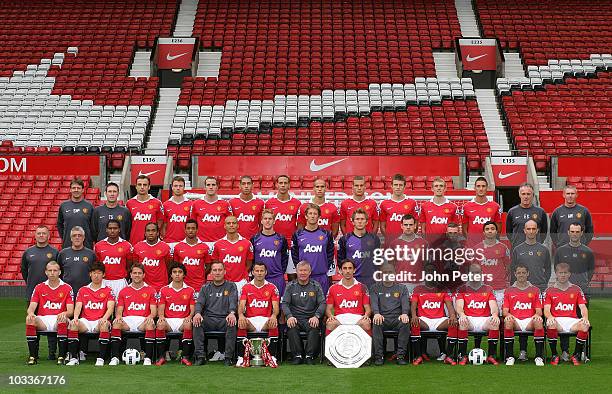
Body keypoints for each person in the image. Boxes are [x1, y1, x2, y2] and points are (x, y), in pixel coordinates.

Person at [64, 262, 115, 366]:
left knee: (105, 324)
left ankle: (100, 358)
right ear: (90, 274)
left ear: (103, 275)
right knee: (74, 324)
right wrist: (75, 318)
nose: (96, 275)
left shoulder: (109, 290)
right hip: (86, 321)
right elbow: (78, 306)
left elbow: (111, 307)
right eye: (94, 273)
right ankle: (74, 358)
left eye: (99, 273)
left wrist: (105, 318)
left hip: (100, 320)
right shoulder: (83, 290)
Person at [21, 226, 60, 360]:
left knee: (52, 322)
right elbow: (24, 271)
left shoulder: (54, 252)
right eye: (39, 233)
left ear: (48, 236)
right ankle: (34, 353)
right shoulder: (28, 252)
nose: (41, 235)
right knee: (32, 320)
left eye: (44, 233)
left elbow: (59, 271)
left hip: (52, 293)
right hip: (33, 293)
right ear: (35, 235)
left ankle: (52, 352)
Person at [25, 261, 74, 365]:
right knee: (30, 319)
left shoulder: (67, 287)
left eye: (55, 270)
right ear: (46, 272)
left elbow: (70, 311)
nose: (52, 273)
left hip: (59, 319)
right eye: (50, 270)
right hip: (43, 319)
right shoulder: (39, 287)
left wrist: (64, 314)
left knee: (63, 319)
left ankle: (61, 356)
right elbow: (31, 307)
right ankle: (32, 356)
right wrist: (31, 314)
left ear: (59, 272)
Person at [410, 263, 458, 366]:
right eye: (428, 271)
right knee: (415, 322)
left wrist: (453, 316)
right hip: (424, 320)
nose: (430, 273)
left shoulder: (442, 288)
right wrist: (414, 316)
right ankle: (418, 356)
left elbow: (449, 306)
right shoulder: (418, 289)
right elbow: (413, 306)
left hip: (439, 320)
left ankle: (448, 355)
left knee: (453, 323)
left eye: (433, 271)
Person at [109, 263, 157, 366]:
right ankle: (115, 357)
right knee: (116, 323)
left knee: (150, 324)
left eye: (139, 273)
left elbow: (153, 312)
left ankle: (147, 358)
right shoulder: (124, 291)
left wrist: (150, 317)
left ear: (144, 275)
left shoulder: (151, 290)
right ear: (130, 275)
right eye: (134, 273)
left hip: (143, 320)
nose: (137, 275)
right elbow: (119, 310)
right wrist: (118, 317)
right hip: (128, 320)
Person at [193, 261, 238, 366]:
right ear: (211, 273)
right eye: (215, 270)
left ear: (224, 272)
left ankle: (228, 357)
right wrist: (198, 313)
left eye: (220, 270)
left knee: (232, 322)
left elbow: (233, 301)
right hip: (209, 319)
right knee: (197, 322)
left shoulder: (231, 286)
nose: (217, 273)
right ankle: (200, 356)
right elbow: (199, 303)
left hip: (224, 319)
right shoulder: (205, 288)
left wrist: (232, 313)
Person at [544, 262, 590, 366]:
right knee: (551, 324)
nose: (563, 275)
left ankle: (576, 355)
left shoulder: (576, 289)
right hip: (557, 321)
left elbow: (583, 307)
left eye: (565, 272)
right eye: (560, 273)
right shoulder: (550, 290)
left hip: (572, 321)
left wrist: (585, 317)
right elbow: (546, 309)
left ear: (569, 274)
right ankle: (555, 355)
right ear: (556, 273)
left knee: (585, 325)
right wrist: (550, 316)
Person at [281, 261, 326, 365]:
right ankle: (297, 355)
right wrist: (289, 316)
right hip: (295, 318)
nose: (303, 273)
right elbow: (285, 303)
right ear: (296, 272)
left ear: (310, 272)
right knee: (291, 326)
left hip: (310, 317)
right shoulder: (290, 286)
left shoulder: (316, 285)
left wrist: (317, 316)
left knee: (314, 326)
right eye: (300, 270)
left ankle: (310, 355)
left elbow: (322, 303)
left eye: (305, 270)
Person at [455, 263, 500, 366]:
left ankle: (491, 355)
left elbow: (493, 306)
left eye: (477, 272)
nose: (475, 275)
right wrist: (462, 314)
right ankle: (462, 355)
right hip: (469, 319)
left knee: (494, 322)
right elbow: (459, 306)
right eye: (472, 272)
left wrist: (494, 314)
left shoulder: (488, 289)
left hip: (484, 319)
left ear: (481, 274)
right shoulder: (462, 289)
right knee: (462, 322)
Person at [236, 262, 280, 367]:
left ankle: (273, 357)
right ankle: (241, 358)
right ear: (252, 272)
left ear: (266, 272)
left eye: (262, 271)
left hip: (265, 320)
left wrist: (274, 316)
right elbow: (241, 305)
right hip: (251, 320)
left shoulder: (272, 287)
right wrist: (241, 315)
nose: (259, 273)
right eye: (257, 271)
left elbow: (276, 307)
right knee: (241, 323)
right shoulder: (246, 287)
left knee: (273, 323)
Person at [502, 264, 545, 366]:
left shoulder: (535, 290)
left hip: (529, 321)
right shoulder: (509, 290)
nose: (521, 275)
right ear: (515, 274)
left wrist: (537, 315)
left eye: (524, 273)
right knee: (508, 321)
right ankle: (510, 357)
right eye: (519, 273)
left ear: (528, 274)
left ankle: (539, 357)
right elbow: (505, 311)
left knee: (539, 321)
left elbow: (539, 311)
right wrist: (508, 315)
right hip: (515, 320)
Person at [154, 262, 196, 366]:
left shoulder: (190, 290)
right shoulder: (164, 290)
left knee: (188, 324)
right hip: (169, 321)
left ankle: (185, 357)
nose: (177, 274)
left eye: (180, 272)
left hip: (183, 320)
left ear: (184, 275)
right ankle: (161, 357)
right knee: (160, 324)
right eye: (174, 272)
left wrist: (190, 317)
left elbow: (192, 309)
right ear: (171, 275)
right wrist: (161, 317)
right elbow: (161, 308)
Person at [370, 263, 410, 366]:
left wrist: (404, 313)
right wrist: (377, 313)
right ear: (381, 274)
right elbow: (374, 303)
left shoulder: (402, 288)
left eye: (390, 272)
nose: (387, 274)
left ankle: (400, 356)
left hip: (397, 318)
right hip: (382, 318)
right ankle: (379, 356)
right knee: (376, 322)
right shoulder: (375, 288)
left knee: (405, 322)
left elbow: (405, 303)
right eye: (385, 272)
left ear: (394, 273)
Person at [292, 204, 335, 294]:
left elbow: (330, 253)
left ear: (319, 216)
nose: (312, 216)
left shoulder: (326, 234)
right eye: (310, 213)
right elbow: (295, 254)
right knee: (304, 306)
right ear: (306, 216)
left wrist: (325, 267)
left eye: (315, 214)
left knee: (322, 305)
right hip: (304, 277)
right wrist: (301, 270)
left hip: (321, 276)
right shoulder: (298, 234)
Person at [265, 175, 301, 278]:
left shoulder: (297, 203)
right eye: (280, 183)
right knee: (273, 274)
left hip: (290, 245)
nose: (283, 185)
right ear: (276, 185)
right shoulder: (269, 203)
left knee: (292, 276)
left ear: (289, 185)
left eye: (285, 183)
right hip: (272, 245)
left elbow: (299, 226)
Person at [325, 259, 371, 335]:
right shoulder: (333, 288)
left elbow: (368, 308)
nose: (347, 271)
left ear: (354, 270)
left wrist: (366, 315)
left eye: (350, 268)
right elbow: (328, 309)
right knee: (330, 324)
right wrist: (330, 316)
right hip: (340, 318)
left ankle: (366, 347)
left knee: (366, 324)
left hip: (357, 317)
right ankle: (332, 347)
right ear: (340, 270)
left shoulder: (362, 287)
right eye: (345, 268)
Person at [337, 208, 381, 287]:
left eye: (362, 219)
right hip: (352, 280)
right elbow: (341, 260)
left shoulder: (374, 239)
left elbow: (378, 260)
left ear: (367, 222)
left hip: (370, 280)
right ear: (353, 222)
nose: (360, 221)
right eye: (357, 219)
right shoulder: (345, 239)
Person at [211, 216, 254, 295]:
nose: (231, 225)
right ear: (224, 226)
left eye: (233, 223)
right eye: (228, 223)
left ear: (238, 225)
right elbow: (215, 263)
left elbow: (249, 263)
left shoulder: (247, 243)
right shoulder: (218, 244)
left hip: (241, 282)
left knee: (240, 306)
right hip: (223, 282)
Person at [473, 221, 510, 310]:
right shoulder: (477, 248)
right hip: (483, 288)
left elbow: (508, 267)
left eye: (492, 229)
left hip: (500, 288)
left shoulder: (503, 248)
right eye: (487, 229)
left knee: (500, 315)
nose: (490, 231)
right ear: (483, 232)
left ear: (496, 231)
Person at [251, 209, 289, 296]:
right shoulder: (254, 238)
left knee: (278, 307)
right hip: (259, 278)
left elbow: (284, 259)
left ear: (274, 221)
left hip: (277, 278)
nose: (267, 221)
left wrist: (279, 273)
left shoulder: (281, 239)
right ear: (261, 221)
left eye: (270, 219)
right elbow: (251, 259)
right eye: (265, 219)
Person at [387, 214, 428, 292]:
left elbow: (426, 264)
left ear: (415, 226)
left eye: (411, 224)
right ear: (401, 226)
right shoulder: (394, 243)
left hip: (419, 283)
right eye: (406, 225)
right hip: (400, 283)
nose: (408, 227)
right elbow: (391, 265)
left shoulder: (423, 243)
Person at [93, 219, 133, 297]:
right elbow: (97, 266)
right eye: (110, 228)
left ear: (119, 230)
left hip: (120, 282)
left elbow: (129, 266)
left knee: (120, 307)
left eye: (115, 228)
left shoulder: (127, 246)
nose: (112, 230)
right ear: (106, 230)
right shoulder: (98, 246)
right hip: (104, 281)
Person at [553, 223, 595, 295]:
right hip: (564, 290)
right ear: (568, 232)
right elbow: (556, 268)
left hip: (583, 290)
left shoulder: (588, 252)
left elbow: (591, 271)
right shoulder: (560, 251)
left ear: (581, 233)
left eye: (577, 232)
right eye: (572, 231)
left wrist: (584, 282)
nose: (574, 234)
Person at [510, 220, 552, 292]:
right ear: (524, 231)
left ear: (537, 230)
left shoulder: (544, 249)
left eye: (533, 229)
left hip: (540, 287)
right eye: (528, 229)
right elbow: (513, 269)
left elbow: (548, 269)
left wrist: (544, 282)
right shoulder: (517, 249)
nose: (531, 231)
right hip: (522, 287)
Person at [171, 219, 211, 293]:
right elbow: (175, 266)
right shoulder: (178, 247)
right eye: (188, 228)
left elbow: (208, 265)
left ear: (197, 230)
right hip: (182, 285)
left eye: (193, 228)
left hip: (199, 286)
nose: (191, 230)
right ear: (185, 230)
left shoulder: (204, 247)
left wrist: (201, 276)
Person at [418, 177, 459, 247]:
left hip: (447, 245)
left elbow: (455, 228)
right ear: (432, 188)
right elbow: (423, 228)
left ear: (445, 188)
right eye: (436, 186)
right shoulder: (425, 206)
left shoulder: (453, 207)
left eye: (441, 186)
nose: (439, 188)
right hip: (431, 244)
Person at [191, 176, 232, 245]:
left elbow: (230, 223)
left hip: (220, 243)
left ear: (217, 187)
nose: (211, 187)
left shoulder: (225, 204)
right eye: (208, 185)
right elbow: (192, 224)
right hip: (201, 242)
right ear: (205, 187)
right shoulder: (196, 204)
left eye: (213, 185)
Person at [132, 222, 172, 292]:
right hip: (143, 286)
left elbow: (169, 265)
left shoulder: (165, 247)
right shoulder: (137, 247)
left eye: (153, 230)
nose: (150, 233)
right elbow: (135, 265)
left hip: (160, 286)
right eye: (148, 230)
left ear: (157, 233)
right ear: (145, 233)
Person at [461, 177, 502, 245]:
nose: (481, 189)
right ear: (474, 188)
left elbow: (498, 229)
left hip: (489, 246)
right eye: (478, 186)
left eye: (483, 186)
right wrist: (471, 241)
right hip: (472, 247)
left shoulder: (495, 206)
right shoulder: (466, 206)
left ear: (487, 188)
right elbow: (464, 229)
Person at [379, 174, 418, 244]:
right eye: (396, 185)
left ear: (404, 186)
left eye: (400, 185)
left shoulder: (412, 203)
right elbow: (382, 226)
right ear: (392, 186)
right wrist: (389, 238)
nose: (398, 187)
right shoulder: (384, 203)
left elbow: (416, 224)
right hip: (390, 243)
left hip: (407, 243)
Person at [506, 183, 548, 248]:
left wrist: (538, 242)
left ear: (533, 195)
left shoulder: (540, 212)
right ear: (519, 195)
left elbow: (544, 232)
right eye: (523, 194)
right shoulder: (512, 212)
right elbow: (509, 232)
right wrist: (516, 242)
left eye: (528, 194)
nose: (526, 197)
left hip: (536, 249)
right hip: (518, 249)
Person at [58, 226, 96, 296]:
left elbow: (94, 273)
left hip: (86, 292)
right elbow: (59, 272)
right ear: (71, 238)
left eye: (80, 235)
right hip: (67, 292)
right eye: (74, 235)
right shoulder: (63, 253)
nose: (77, 237)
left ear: (84, 238)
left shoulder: (91, 254)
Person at [57, 178, 94, 249]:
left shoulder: (89, 206)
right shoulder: (64, 206)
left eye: (78, 188)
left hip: (86, 245)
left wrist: (89, 239)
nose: (76, 190)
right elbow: (59, 224)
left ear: (83, 190)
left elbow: (93, 227)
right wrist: (66, 237)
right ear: (70, 190)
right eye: (74, 188)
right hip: (68, 245)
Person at [126, 175, 164, 243]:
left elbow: (160, 221)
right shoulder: (129, 203)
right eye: (139, 185)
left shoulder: (157, 203)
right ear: (136, 187)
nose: (142, 187)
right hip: (134, 242)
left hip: (152, 243)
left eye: (145, 185)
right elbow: (127, 224)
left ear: (149, 187)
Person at [229, 175, 265, 240]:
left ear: (252, 185)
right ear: (239, 186)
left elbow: (262, 224)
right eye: (243, 184)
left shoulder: (260, 203)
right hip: (237, 240)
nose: (246, 186)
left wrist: (257, 237)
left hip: (254, 240)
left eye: (248, 183)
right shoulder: (232, 202)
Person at [161, 176, 193, 243]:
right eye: (175, 186)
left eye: (180, 186)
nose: (178, 188)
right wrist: (165, 239)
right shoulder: (165, 205)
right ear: (172, 187)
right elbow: (164, 225)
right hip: (169, 242)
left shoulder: (190, 204)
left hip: (185, 242)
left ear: (184, 187)